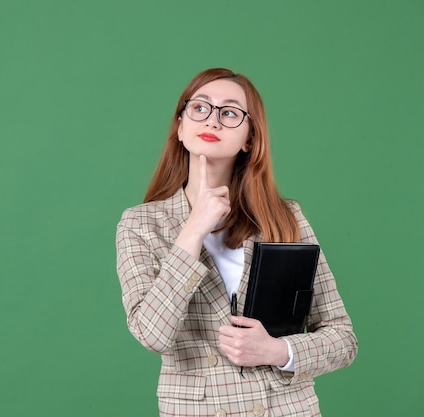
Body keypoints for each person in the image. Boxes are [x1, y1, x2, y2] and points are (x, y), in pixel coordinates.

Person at [115, 68, 357, 417]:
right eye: (200, 108)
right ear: (180, 127)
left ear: (248, 138)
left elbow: (343, 338)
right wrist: (193, 229)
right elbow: (152, 334)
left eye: (230, 113)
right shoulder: (140, 224)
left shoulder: (284, 217)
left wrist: (277, 350)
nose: (212, 120)